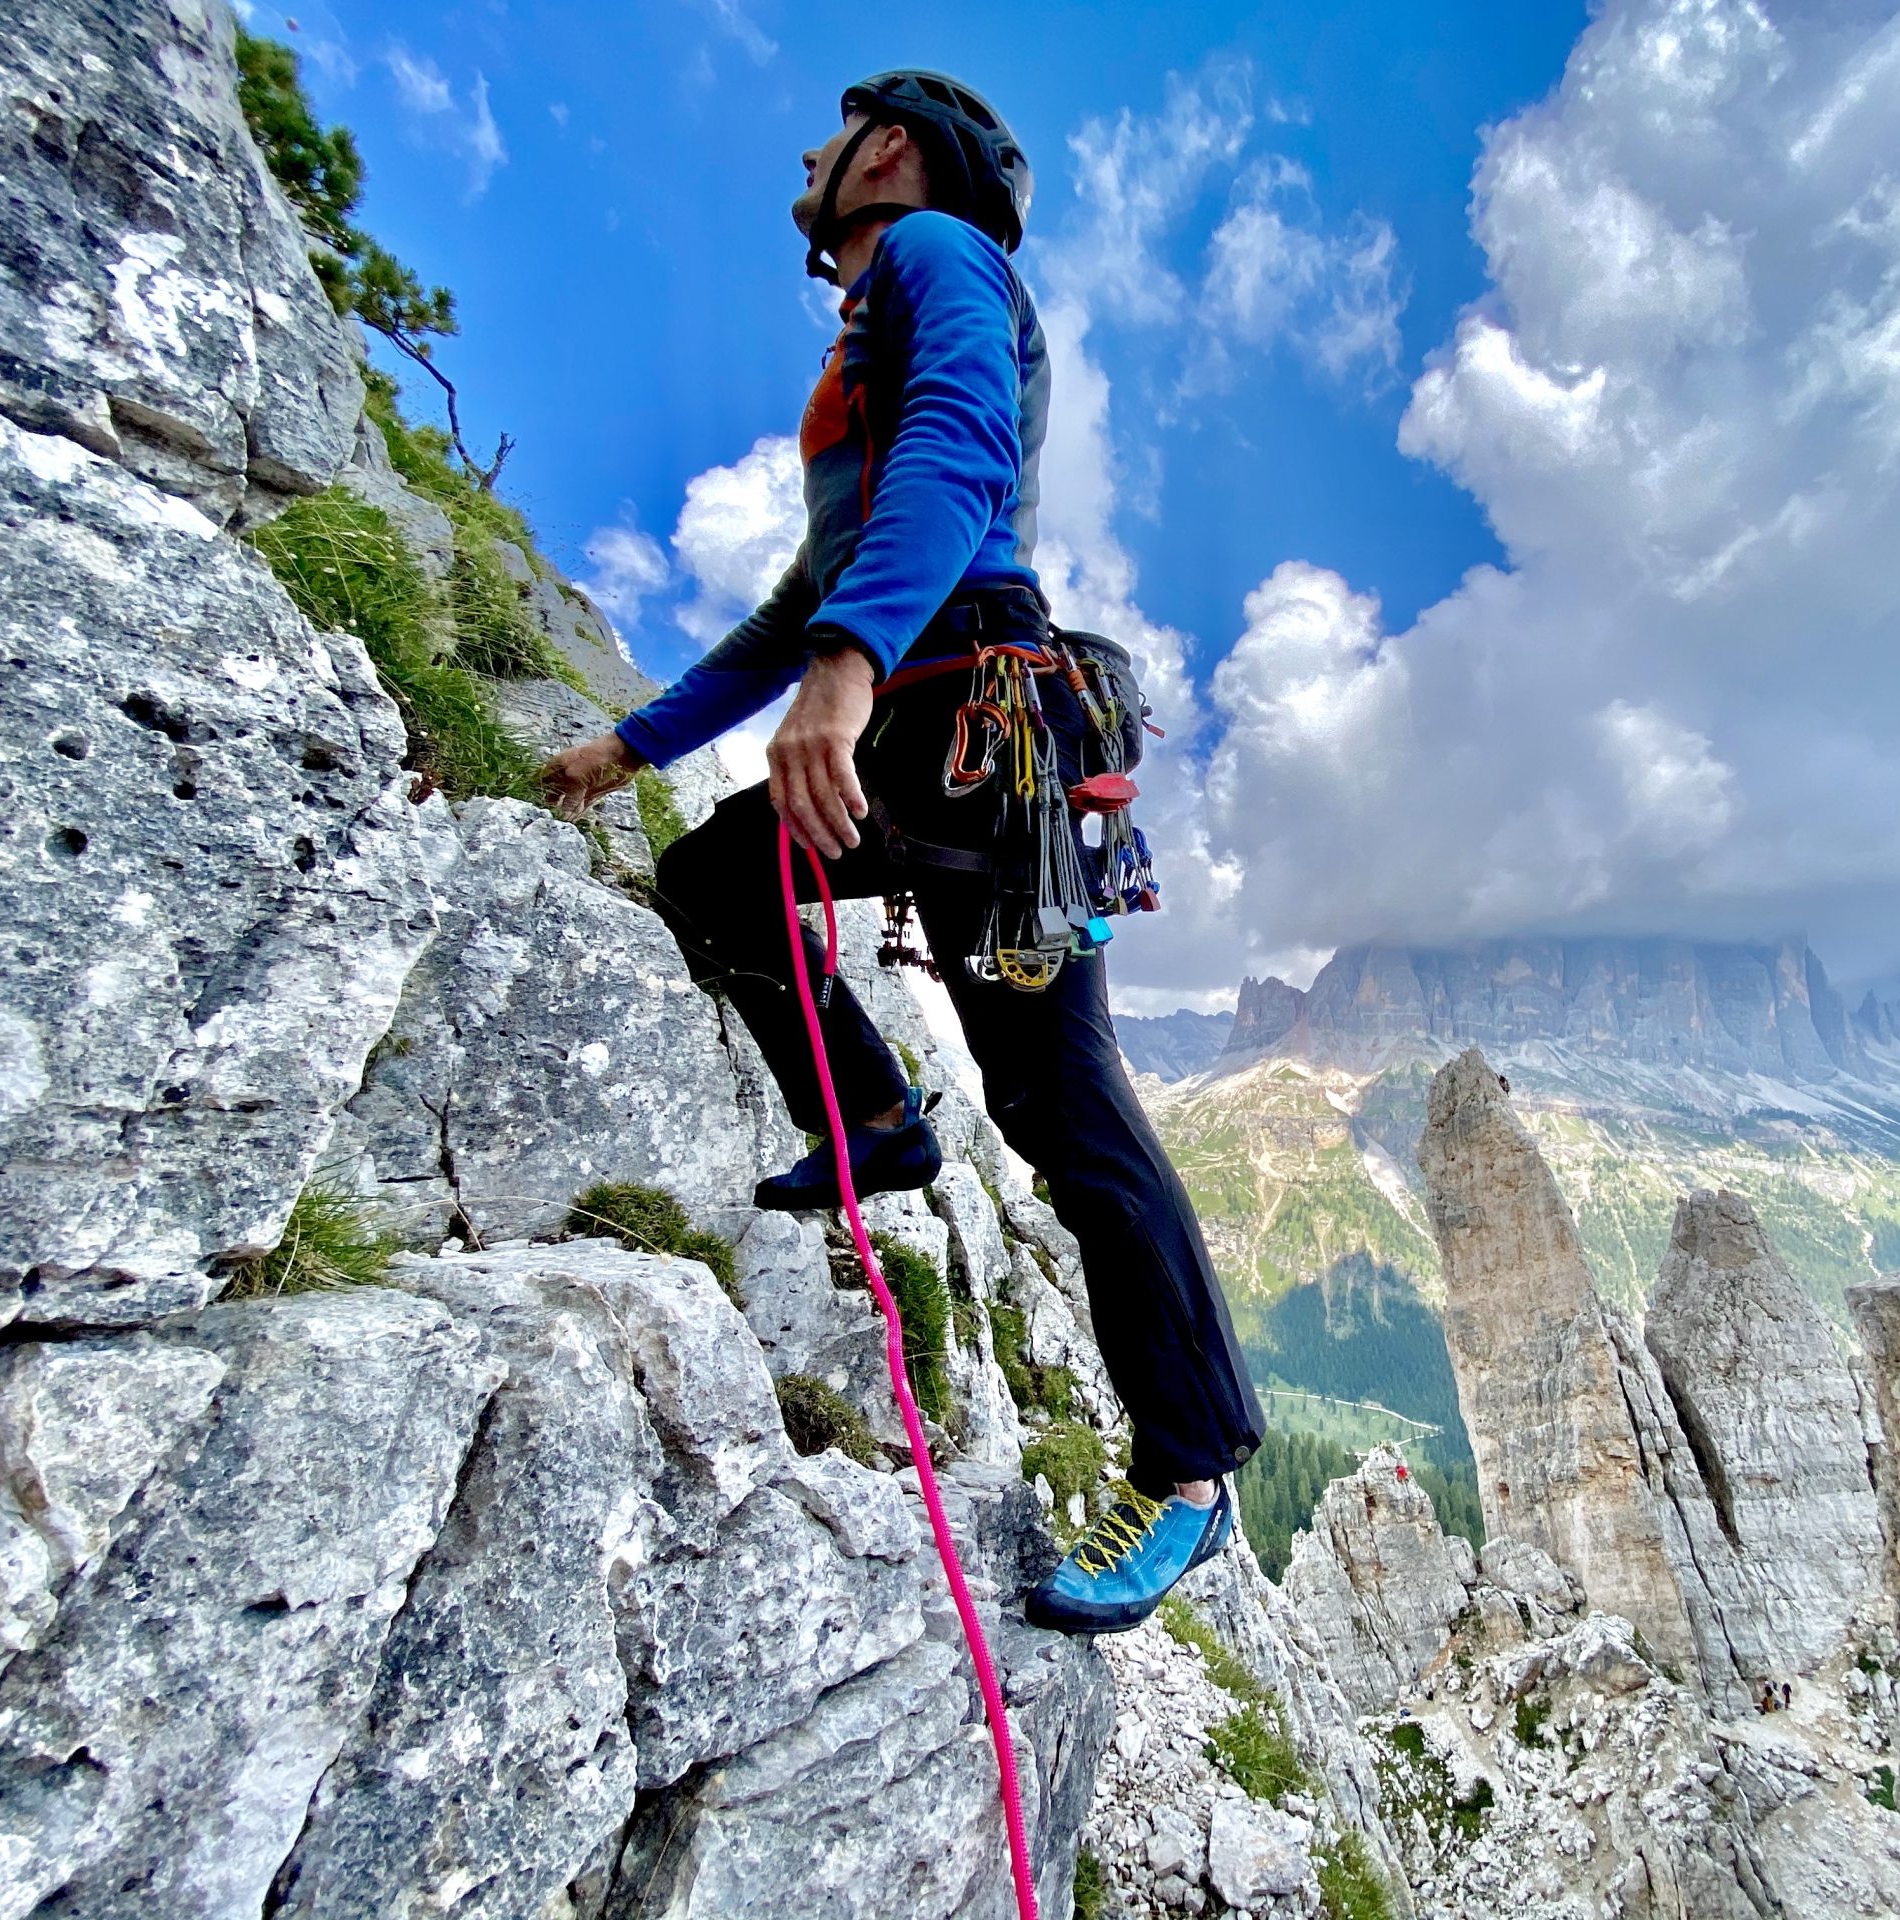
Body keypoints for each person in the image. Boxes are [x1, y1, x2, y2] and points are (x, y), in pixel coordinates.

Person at [539, 70, 1263, 1635]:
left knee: (1064, 1102)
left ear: (888, 149)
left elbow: (960, 445)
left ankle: (1196, 1474)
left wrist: (852, 664)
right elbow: (799, 599)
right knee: (720, 875)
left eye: (827, 131)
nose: (803, 156)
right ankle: (874, 1117)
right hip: (928, 698)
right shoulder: (875, 317)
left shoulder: (935, 254)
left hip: (971, 706)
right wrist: (633, 746)